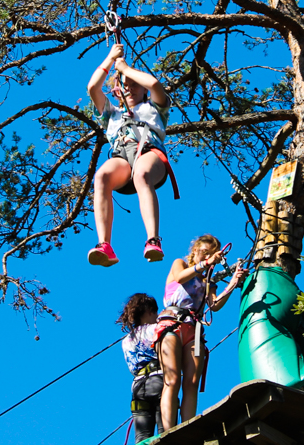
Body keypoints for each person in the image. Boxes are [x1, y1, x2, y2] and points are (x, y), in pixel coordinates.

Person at [86, 42, 176, 266]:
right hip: (121, 157)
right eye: (124, 85)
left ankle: (153, 239)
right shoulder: (112, 114)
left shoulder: (155, 107)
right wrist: (110, 59)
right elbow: (92, 89)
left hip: (148, 151)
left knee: (142, 175)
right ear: (117, 91)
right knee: (101, 177)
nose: (129, 87)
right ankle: (104, 245)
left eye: (134, 84)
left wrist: (125, 69)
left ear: (142, 88)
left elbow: (154, 84)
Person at [155, 235, 247, 431]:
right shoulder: (179, 264)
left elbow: (214, 305)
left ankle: (187, 429)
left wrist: (233, 283)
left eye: (211, 254)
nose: (207, 256)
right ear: (194, 250)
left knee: (192, 382)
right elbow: (180, 278)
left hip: (194, 330)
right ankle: (168, 430)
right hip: (172, 323)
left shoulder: (207, 282)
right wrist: (206, 263)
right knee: (172, 379)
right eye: (204, 252)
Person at [118, 293, 163, 443]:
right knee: (166, 432)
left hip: (138, 387)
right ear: (150, 311)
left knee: (142, 438)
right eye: (155, 312)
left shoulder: (126, 340)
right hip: (158, 380)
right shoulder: (157, 329)